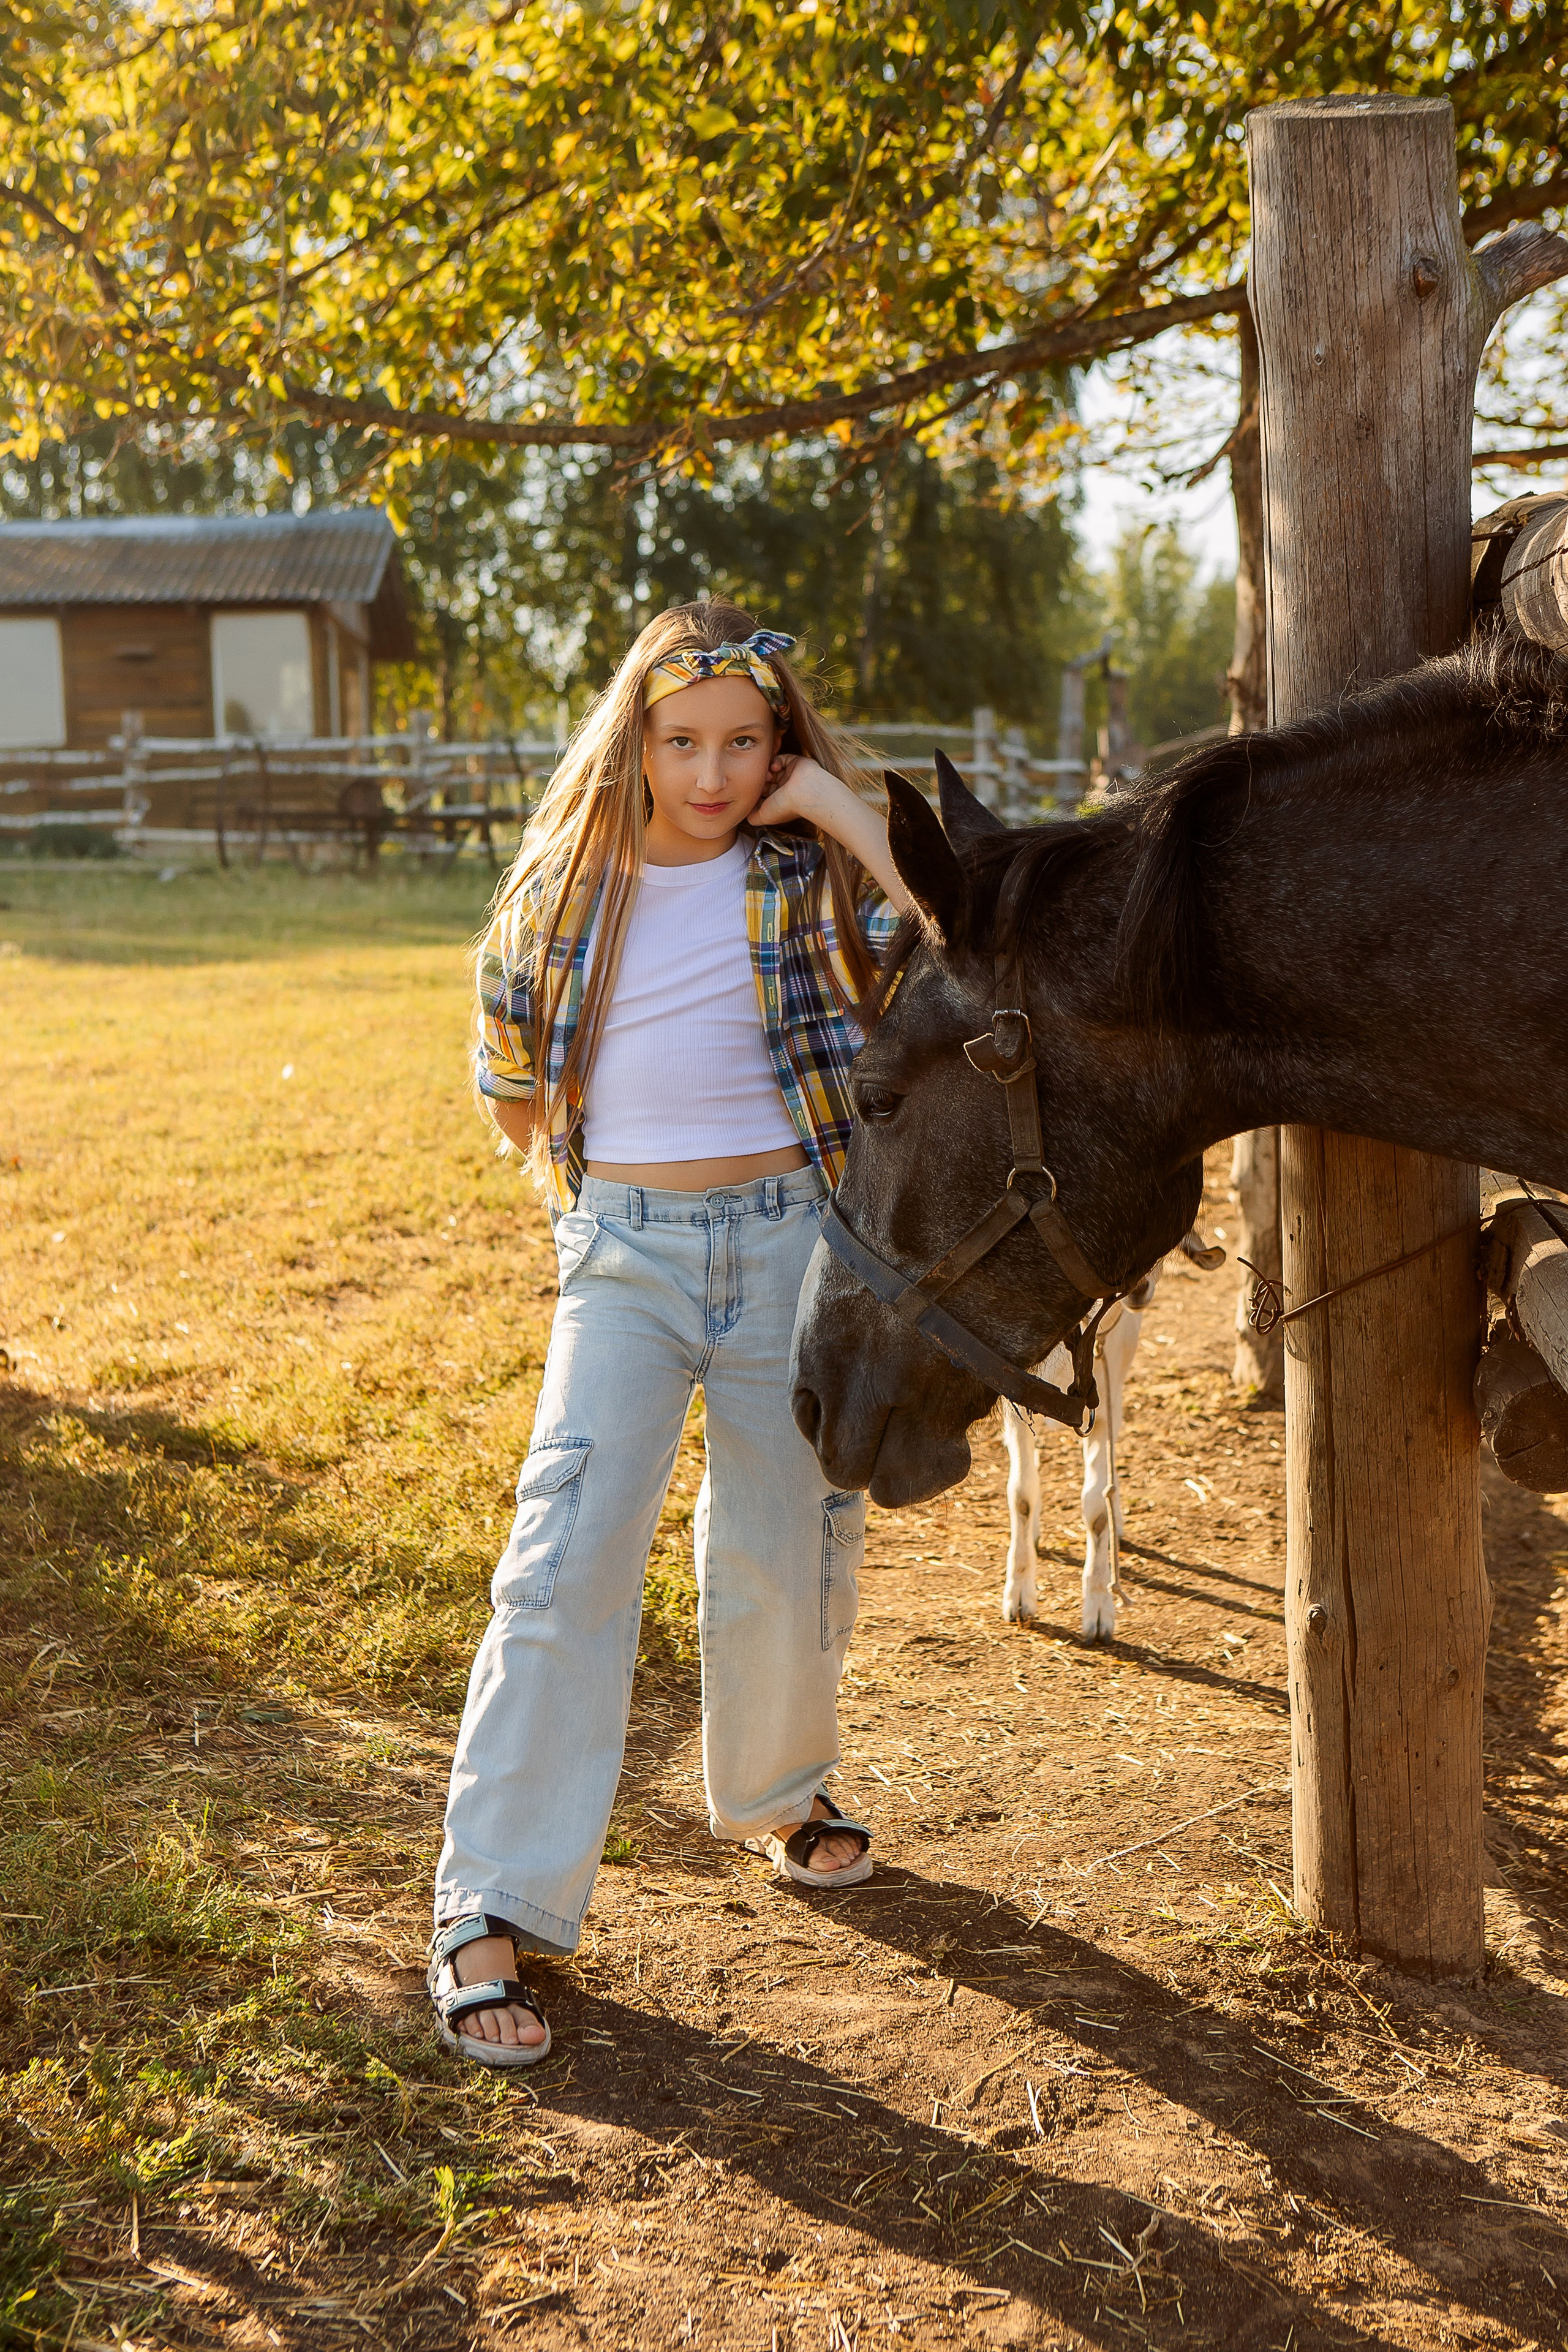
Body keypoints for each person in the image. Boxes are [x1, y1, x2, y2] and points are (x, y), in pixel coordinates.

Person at [427, 601, 912, 2067]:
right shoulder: (564, 889)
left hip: (790, 1245)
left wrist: (839, 806)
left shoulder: (805, 877)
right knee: (563, 1558)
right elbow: (508, 1072)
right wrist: (594, 1200)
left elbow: (950, 926)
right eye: (681, 742)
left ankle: (780, 1789)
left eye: (745, 745)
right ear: (635, 739)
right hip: (627, 1258)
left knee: (782, 1531)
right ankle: (488, 1896)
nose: (710, 774)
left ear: (778, 749)